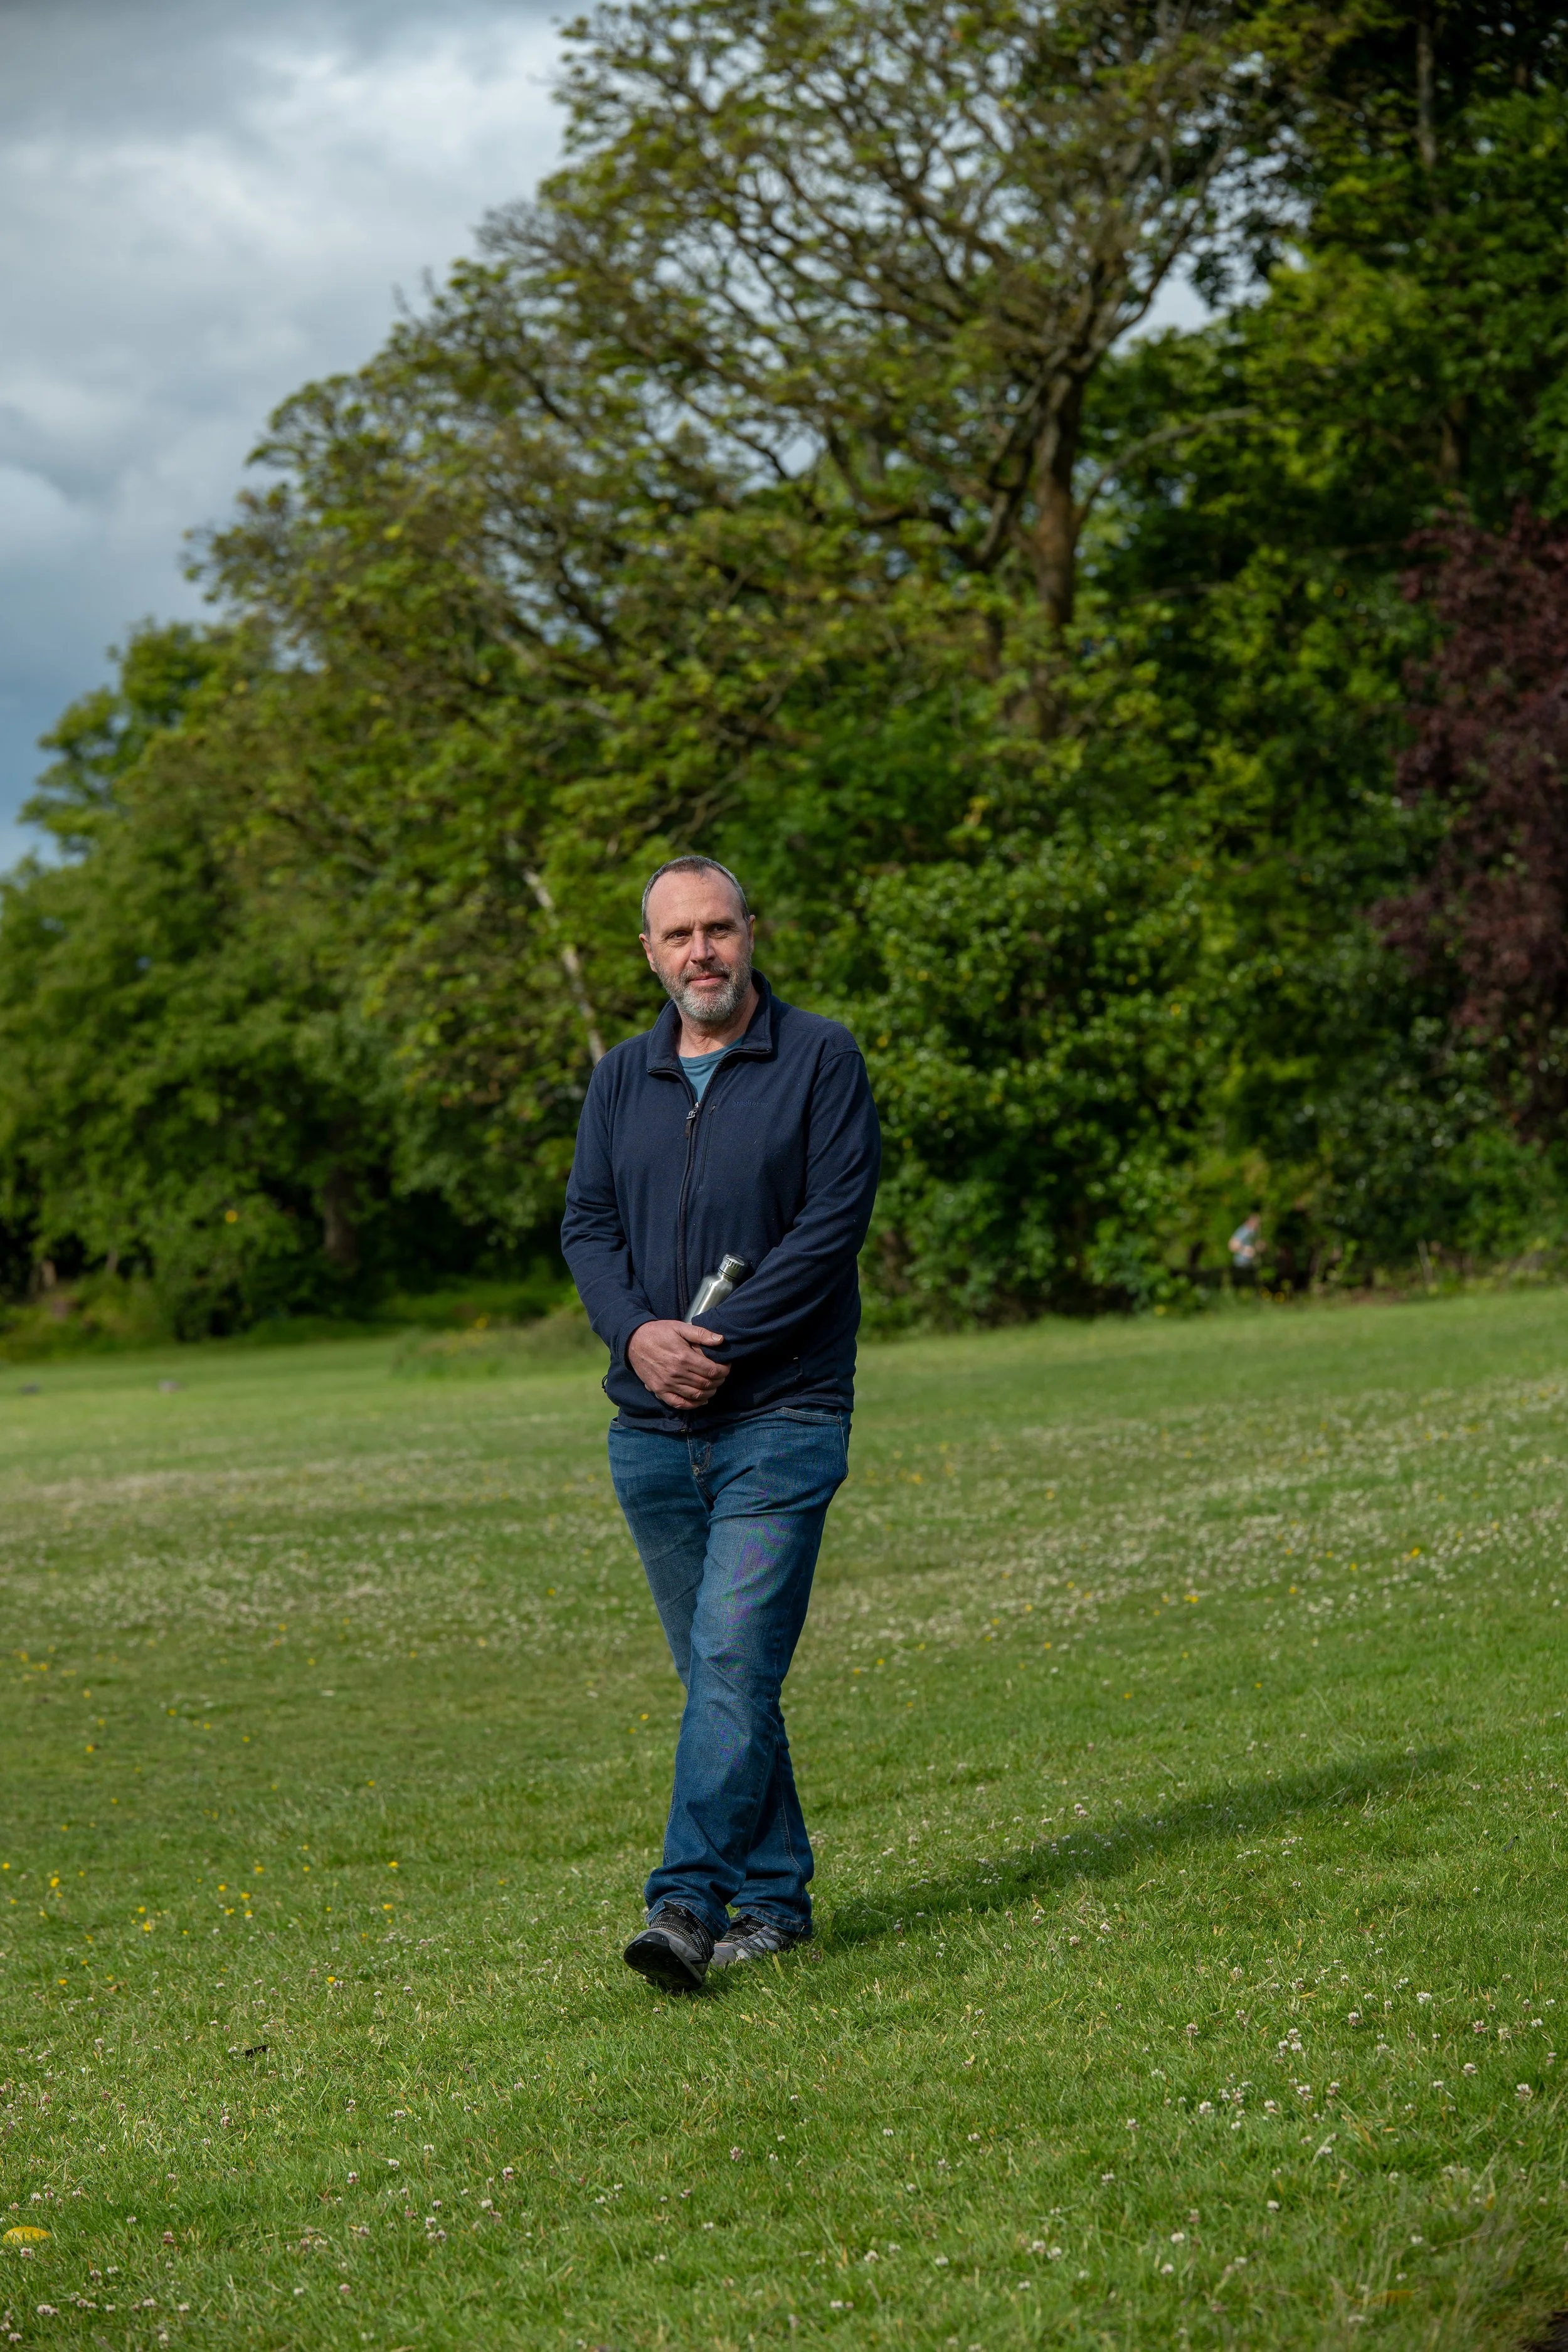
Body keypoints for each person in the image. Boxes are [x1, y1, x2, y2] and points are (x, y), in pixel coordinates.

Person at [561, 856, 881, 1990]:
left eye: (719, 929)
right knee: (720, 1676)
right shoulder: (617, 1081)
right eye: (678, 935)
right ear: (649, 955)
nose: (702, 952)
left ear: (753, 934)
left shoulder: (820, 1057)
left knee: (735, 1660)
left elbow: (831, 1224)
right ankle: (779, 1900)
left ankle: (685, 1903)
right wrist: (640, 1336)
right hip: (648, 1431)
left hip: (782, 1415)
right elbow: (588, 1229)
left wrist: (721, 1343)